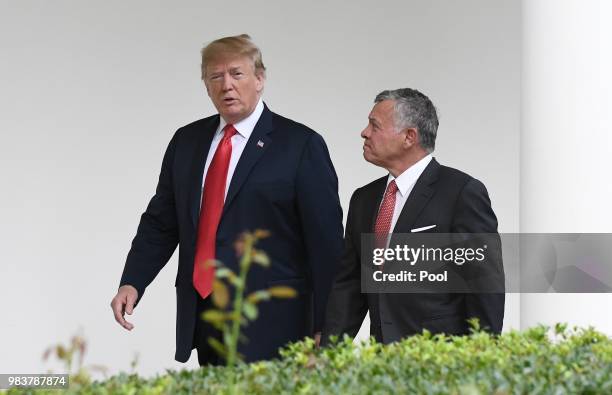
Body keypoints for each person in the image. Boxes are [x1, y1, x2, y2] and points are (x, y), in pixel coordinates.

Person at [110, 34, 343, 365]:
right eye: (215, 77)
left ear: (260, 79)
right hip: (206, 318)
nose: (226, 85)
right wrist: (133, 281)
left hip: (277, 326)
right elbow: (162, 222)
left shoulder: (300, 145)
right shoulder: (187, 141)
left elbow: (326, 244)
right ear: (205, 85)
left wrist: (327, 328)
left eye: (237, 74)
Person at [322, 88, 504, 345]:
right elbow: (350, 287)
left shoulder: (461, 193)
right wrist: (329, 352)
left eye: (375, 125)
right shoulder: (363, 199)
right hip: (382, 363)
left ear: (409, 137)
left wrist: (482, 357)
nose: (364, 132)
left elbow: (484, 286)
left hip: (440, 362)